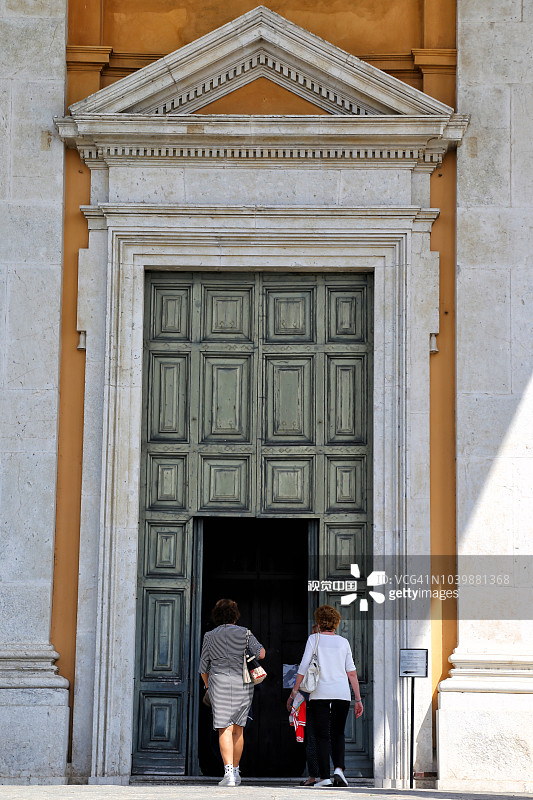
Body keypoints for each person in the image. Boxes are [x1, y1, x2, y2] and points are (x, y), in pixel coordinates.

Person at [287, 605, 363, 788]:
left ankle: (324, 777)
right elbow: (352, 673)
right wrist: (358, 699)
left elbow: (303, 667)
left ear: (319, 622)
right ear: (336, 623)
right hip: (342, 693)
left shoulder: (314, 639)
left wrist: (294, 692)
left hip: (320, 694)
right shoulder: (343, 642)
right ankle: (339, 770)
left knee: (322, 736)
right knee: (338, 733)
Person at [200, 598, 265, 787]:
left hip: (219, 684)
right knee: (238, 730)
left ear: (216, 616)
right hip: (242, 684)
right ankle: (236, 772)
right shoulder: (245, 633)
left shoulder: (210, 636)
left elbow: (203, 667)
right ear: (235, 615)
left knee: (224, 729)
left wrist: (208, 686)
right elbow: (261, 654)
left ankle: (228, 773)